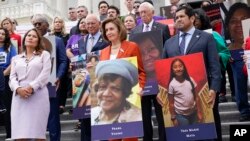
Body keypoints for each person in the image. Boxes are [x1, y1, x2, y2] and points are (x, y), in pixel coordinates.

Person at [162, 4, 222, 141]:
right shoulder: (169, 43)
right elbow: (164, 70)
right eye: (176, 17)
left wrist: (214, 89)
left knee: (206, 134)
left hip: (204, 93)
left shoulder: (206, 37)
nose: (178, 19)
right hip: (178, 99)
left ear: (192, 18)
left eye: (182, 16)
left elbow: (214, 66)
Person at [100, 17, 146, 141]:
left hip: (128, 97)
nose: (108, 32)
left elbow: (141, 72)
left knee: (129, 136)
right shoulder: (103, 52)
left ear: (119, 30)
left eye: (111, 29)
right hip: (110, 100)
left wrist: (140, 87)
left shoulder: (132, 46)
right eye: (106, 30)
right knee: (113, 137)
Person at [9, 28, 51, 140]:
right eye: (28, 35)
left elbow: (45, 74)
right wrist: (18, 89)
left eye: (34, 36)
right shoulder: (15, 58)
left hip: (38, 95)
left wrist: (32, 87)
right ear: (24, 39)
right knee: (20, 135)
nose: (31, 38)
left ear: (38, 41)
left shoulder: (44, 55)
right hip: (19, 96)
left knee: (38, 134)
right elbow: (12, 77)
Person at [32, 14, 67, 141]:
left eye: (39, 23)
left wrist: (59, 76)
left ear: (47, 25)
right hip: (34, 85)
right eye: (34, 24)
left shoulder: (56, 40)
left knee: (53, 118)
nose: (37, 26)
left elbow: (63, 61)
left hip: (52, 83)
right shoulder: (31, 41)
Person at [193, 8, 231, 103]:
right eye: (191, 18)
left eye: (196, 19)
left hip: (210, 77)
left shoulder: (213, 35)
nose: (194, 21)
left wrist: (216, 56)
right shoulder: (186, 38)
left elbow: (225, 53)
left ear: (202, 19)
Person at [92, 59, 142, 125]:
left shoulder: (138, 119)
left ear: (125, 93)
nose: (106, 94)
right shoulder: (93, 113)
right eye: (102, 87)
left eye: (115, 89)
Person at [224, 2, 250, 121]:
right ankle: (244, 112)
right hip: (237, 59)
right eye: (234, 21)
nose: (239, 24)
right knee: (239, 85)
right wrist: (227, 56)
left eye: (244, 19)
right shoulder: (228, 46)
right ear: (228, 25)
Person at [168, 58, 202, 126]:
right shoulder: (172, 84)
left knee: (195, 133)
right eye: (175, 67)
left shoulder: (190, 80)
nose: (178, 69)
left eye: (180, 66)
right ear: (172, 70)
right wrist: (173, 118)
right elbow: (171, 103)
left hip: (193, 113)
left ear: (184, 67)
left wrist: (199, 112)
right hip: (181, 116)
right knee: (185, 134)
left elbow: (197, 97)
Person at [0, 27, 17, 139]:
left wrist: (2, 75)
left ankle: (10, 134)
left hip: (5, 78)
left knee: (7, 108)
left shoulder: (10, 47)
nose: (1, 35)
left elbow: (14, 62)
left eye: (3, 33)